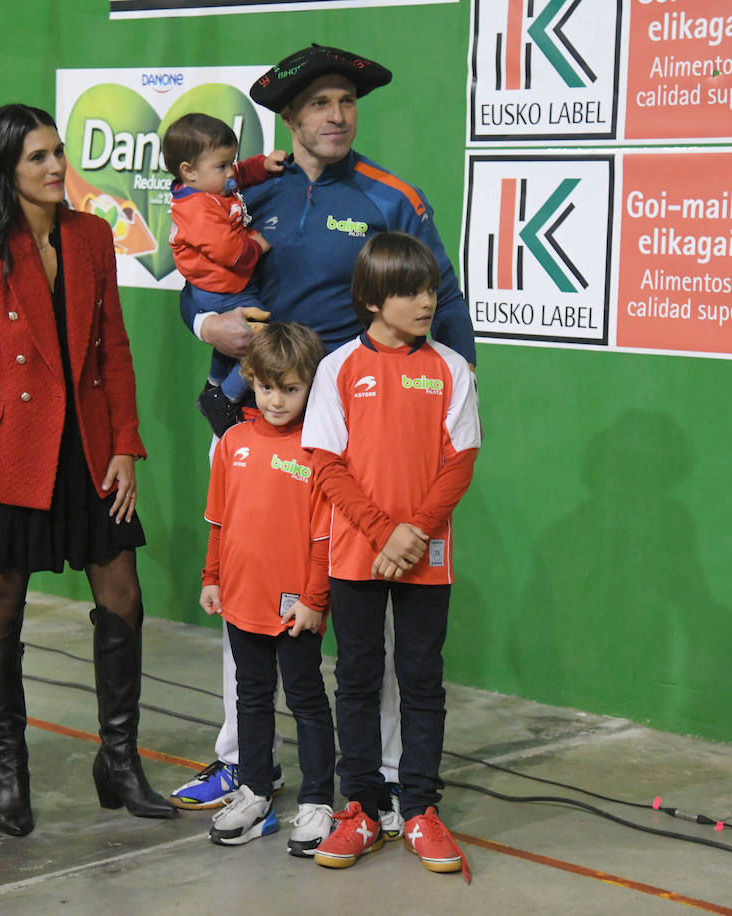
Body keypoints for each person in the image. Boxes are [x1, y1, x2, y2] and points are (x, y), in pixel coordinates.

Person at [171, 44, 478, 829]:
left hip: (351, 448)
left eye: (346, 101)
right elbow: (196, 283)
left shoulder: (391, 198)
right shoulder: (244, 190)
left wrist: (449, 415)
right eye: (319, 104)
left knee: (362, 612)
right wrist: (209, 322)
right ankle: (245, 764)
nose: (336, 115)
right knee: (246, 596)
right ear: (289, 118)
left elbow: (442, 310)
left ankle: (368, 781)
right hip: (249, 425)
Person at [0, 103, 176, 837]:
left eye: (58, 153)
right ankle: (12, 768)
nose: (54, 167)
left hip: (90, 447)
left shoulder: (91, 236)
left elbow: (115, 346)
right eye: (38, 157)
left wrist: (125, 444)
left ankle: (119, 760)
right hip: (14, 455)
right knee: (3, 602)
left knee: (123, 596)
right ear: (4, 168)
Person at [302, 232, 479, 880]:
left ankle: (421, 809)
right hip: (359, 554)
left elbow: (459, 462)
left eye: (430, 288)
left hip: (424, 557)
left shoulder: (452, 371)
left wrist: (414, 534)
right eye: (410, 291)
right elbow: (326, 462)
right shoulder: (338, 368)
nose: (427, 301)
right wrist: (385, 533)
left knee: (422, 679)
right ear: (373, 300)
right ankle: (363, 809)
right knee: (357, 678)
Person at [199, 323, 336, 855]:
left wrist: (313, 599)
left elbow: (324, 538)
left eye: (292, 389)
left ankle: (318, 799)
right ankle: (255, 792)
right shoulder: (233, 442)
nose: (277, 400)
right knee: (250, 697)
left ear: (311, 387)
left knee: (306, 700)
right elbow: (218, 519)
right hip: (240, 600)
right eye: (267, 387)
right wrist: (212, 578)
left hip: (294, 608)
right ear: (250, 380)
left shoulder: (317, 449)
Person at [161, 113, 285, 437]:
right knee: (261, 336)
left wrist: (262, 165)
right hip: (220, 290)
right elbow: (233, 254)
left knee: (241, 335)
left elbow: (238, 175)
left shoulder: (210, 183)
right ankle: (225, 395)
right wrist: (258, 244)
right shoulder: (198, 209)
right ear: (188, 171)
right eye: (222, 166)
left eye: (232, 161)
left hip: (226, 286)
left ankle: (214, 385)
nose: (231, 171)